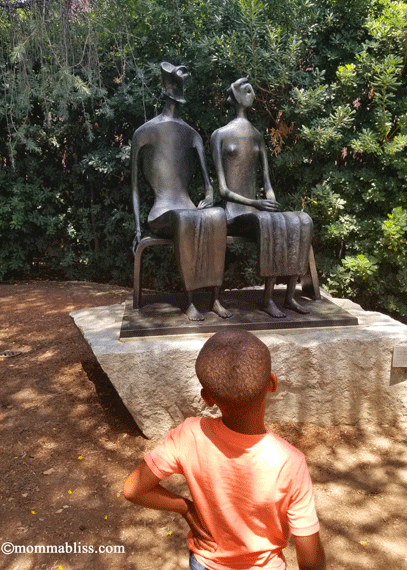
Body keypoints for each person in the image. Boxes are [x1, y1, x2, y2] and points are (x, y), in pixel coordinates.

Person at [124, 329, 326, 570]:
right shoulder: (290, 463)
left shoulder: (189, 435)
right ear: (272, 383)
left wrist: (185, 508)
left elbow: (133, 489)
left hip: (205, 563)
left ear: (207, 398)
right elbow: (311, 562)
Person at [131, 62, 230, 321]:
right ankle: (190, 302)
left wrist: (208, 198)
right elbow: (134, 187)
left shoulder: (192, 134)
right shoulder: (144, 132)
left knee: (218, 217)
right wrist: (138, 229)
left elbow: (209, 187)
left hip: (187, 209)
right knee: (186, 219)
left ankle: (215, 297)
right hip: (162, 212)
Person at [211, 78, 314, 318]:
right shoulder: (220, 135)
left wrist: (270, 202)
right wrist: (255, 203)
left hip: (257, 210)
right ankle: (267, 300)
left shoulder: (257, 135)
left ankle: (288, 296)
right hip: (234, 212)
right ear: (234, 96)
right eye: (243, 89)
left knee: (302, 220)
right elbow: (223, 191)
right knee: (269, 223)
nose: (250, 92)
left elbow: (267, 181)